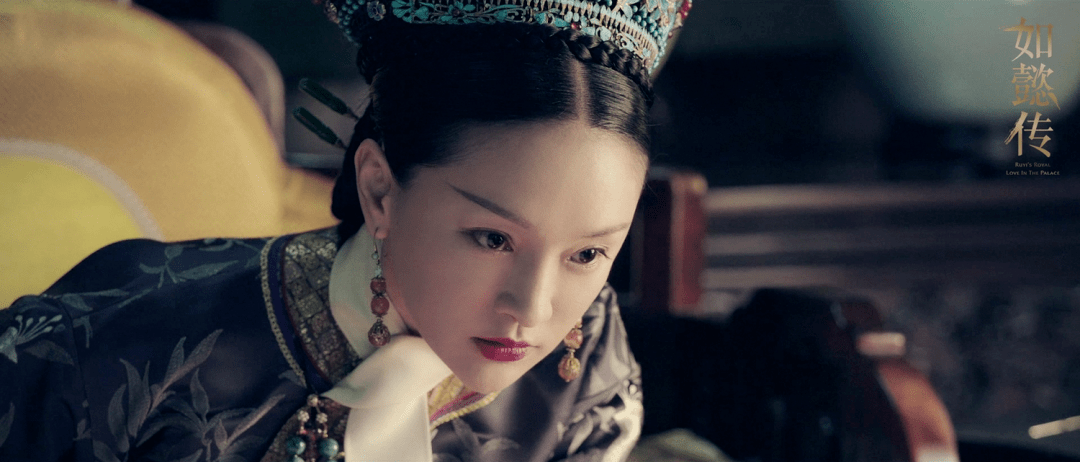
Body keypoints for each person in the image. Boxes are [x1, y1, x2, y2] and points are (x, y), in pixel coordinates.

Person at [0, 0, 691, 460]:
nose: (533, 311)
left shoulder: (588, 355)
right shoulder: (122, 343)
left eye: (587, 252)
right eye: (492, 238)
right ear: (380, 189)